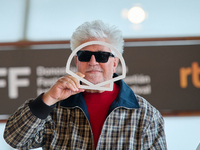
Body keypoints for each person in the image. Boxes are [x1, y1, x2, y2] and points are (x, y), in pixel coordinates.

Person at [4, 20, 167, 150]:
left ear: (115, 62)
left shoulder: (145, 114)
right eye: (85, 55)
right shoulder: (55, 107)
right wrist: (48, 99)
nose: (93, 62)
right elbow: (15, 139)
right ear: (76, 61)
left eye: (102, 56)